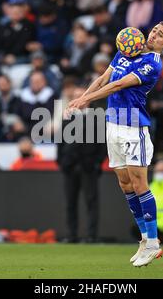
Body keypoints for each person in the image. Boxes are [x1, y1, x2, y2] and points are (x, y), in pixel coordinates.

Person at [67, 21, 163, 266]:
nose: (155, 35)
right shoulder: (128, 48)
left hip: (133, 127)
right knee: (125, 183)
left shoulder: (152, 64)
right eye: (155, 31)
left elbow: (117, 84)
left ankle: (153, 242)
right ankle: (144, 240)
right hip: (113, 124)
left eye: (161, 35)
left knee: (139, 183)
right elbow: (104, 77)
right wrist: (82, 96)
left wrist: (86, 101)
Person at [58, 85, 107, 243]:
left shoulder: (97, 117)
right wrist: (63, 162)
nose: (79, 99)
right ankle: (71, 235)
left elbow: (103, 145)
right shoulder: (67, 118)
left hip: (88, 167)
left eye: (82, 95)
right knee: (70, 203)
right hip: (70, 168)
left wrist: (96, 163)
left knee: (91, 202)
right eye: (76, 96)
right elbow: (60, 143)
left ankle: (91, 236)